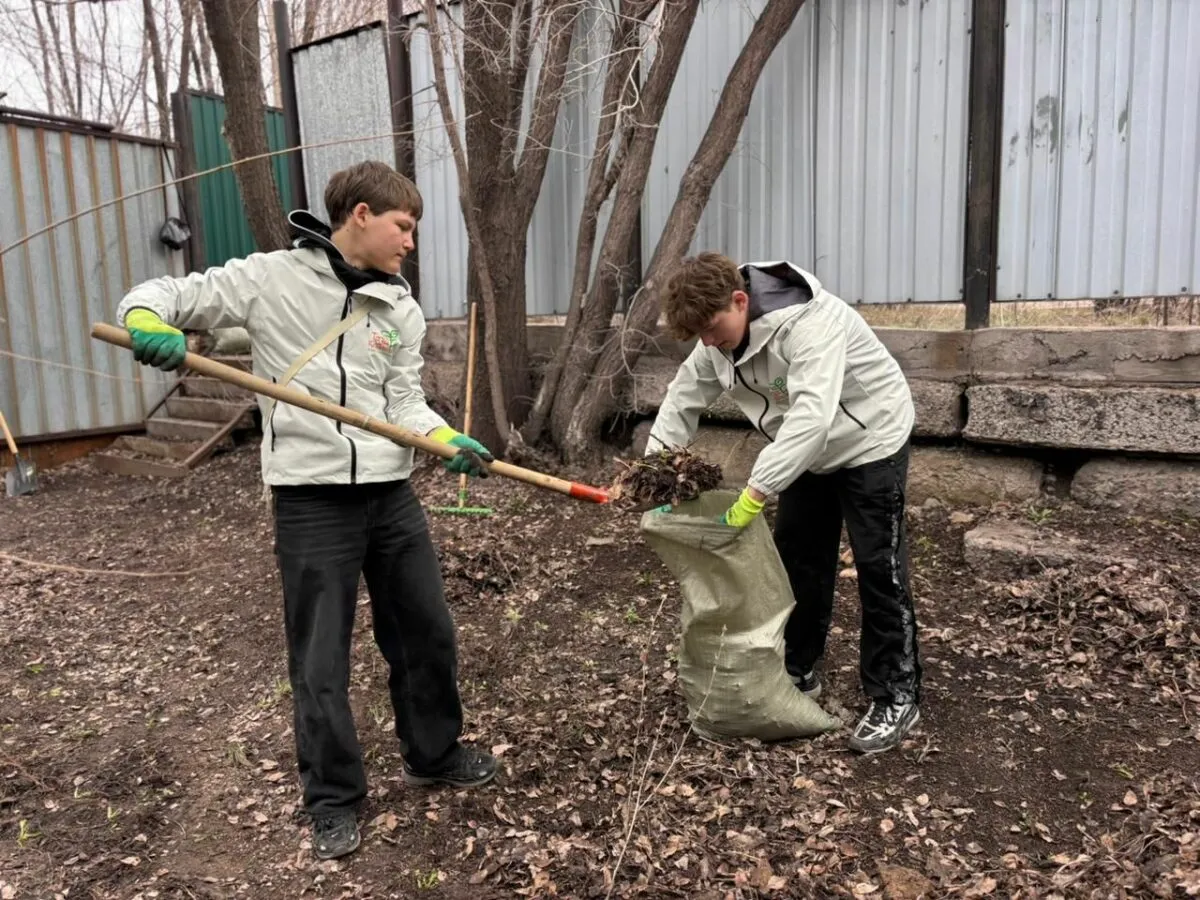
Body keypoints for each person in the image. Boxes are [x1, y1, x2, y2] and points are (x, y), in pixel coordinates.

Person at [117, 160, 497, 859]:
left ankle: (433, 753)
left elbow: (404, 404)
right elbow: (163, 291)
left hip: (391, 493)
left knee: (427, 633)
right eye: (402, 226)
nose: (409, 242)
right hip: (311, 499)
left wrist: (444, 438)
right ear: (359, 215)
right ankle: (332, 799)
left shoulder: (399, 308)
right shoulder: (271, 279)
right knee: (319, 656)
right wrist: (146, 321)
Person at [644, 252, 921, 754]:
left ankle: (895, 694)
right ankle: (798, 668)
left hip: (869, 439)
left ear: (740, 299)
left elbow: (813, 416)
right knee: (798, 561)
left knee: (880, 568)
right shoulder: (716, 339)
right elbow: (682, 399)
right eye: (699, 336)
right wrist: (653, 476)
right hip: (804, 454)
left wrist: (756, 491)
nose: (708, 342)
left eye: (712, 328)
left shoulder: (811, 323)